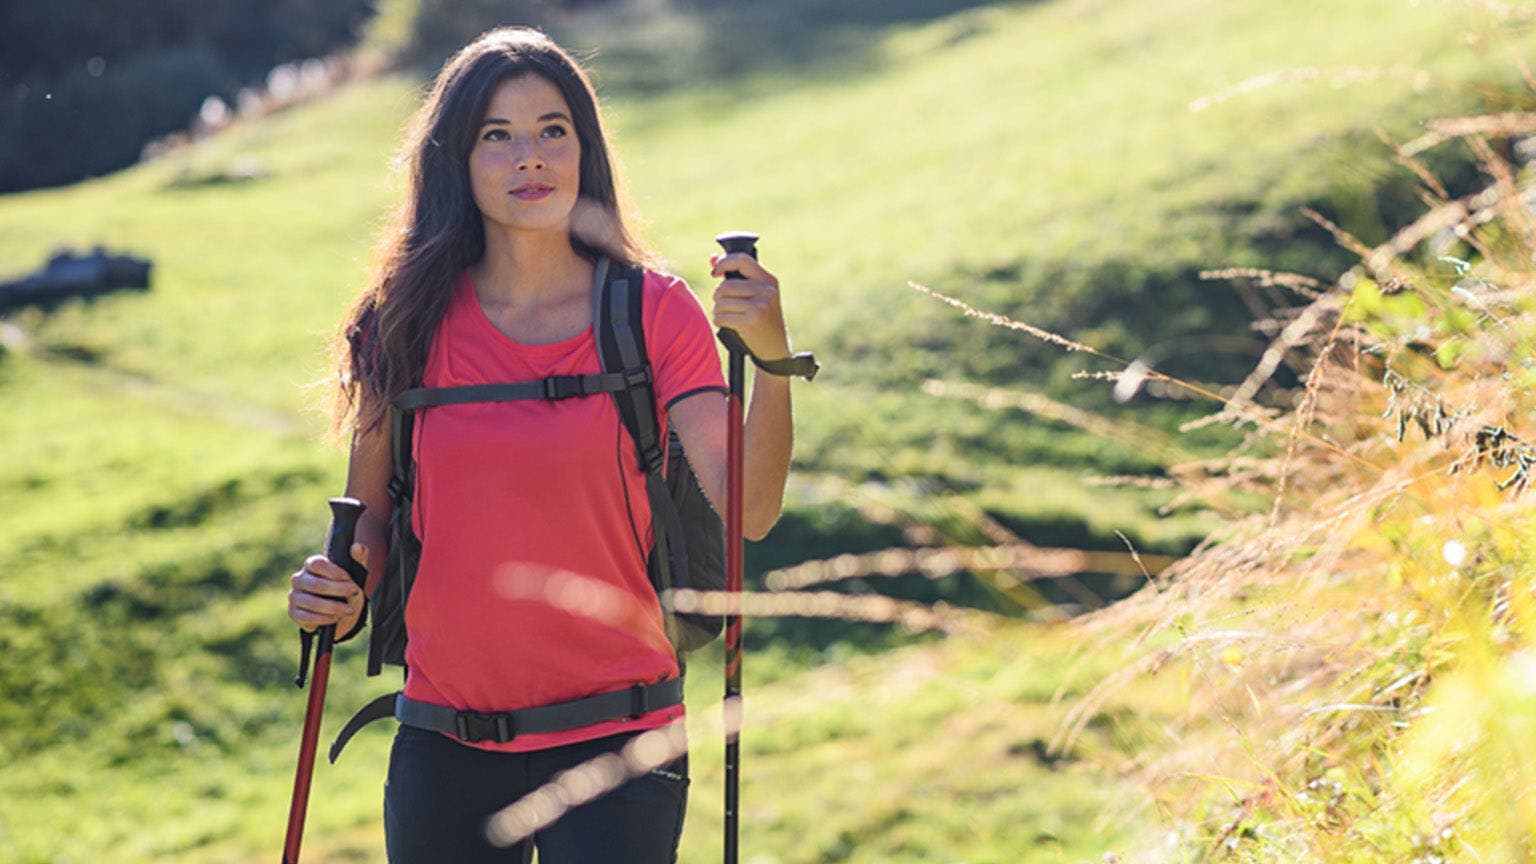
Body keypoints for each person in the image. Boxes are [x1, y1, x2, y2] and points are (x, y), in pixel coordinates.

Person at [284, 26, 800, 864]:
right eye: (499, 136)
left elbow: (752, 509)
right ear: (457, 159)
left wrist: (770, 360)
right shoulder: (403, 323)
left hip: (621, 746)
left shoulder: (650, 313)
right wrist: (337, 589)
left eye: (553, 130)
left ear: (584, 149)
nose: (531, 157)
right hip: (443, 744)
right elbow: (371, 522)